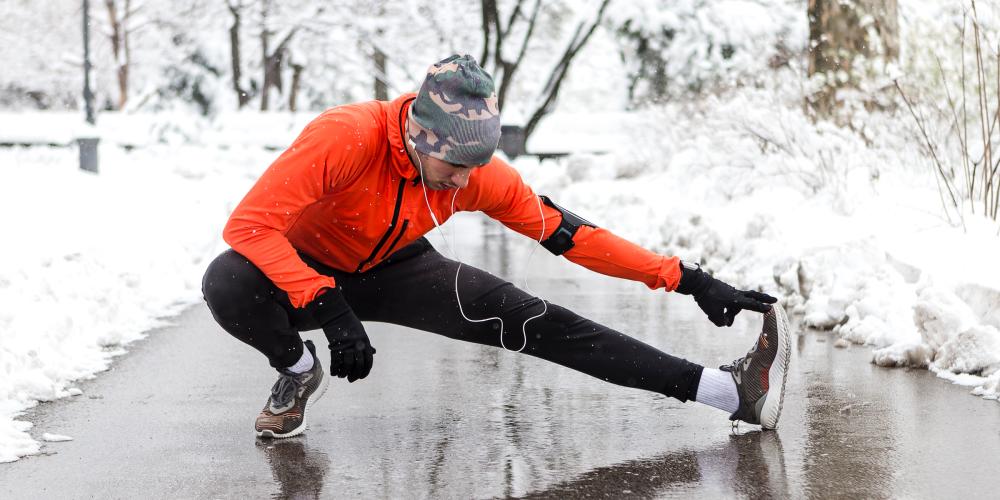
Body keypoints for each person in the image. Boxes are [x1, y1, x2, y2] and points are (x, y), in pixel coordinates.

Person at [202, 54, 791, 439]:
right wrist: (327, 309)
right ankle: (296, 369)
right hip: (299, 267)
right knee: (226, 281)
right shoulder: (346, 137)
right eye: (454, 165)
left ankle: (732, 392)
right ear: (416, 137)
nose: (464, 182)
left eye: (476, 166)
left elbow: (571, 235)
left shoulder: (476, 172)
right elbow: (250, 227)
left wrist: (687, 279)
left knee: (540, 322)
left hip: (397, 267)